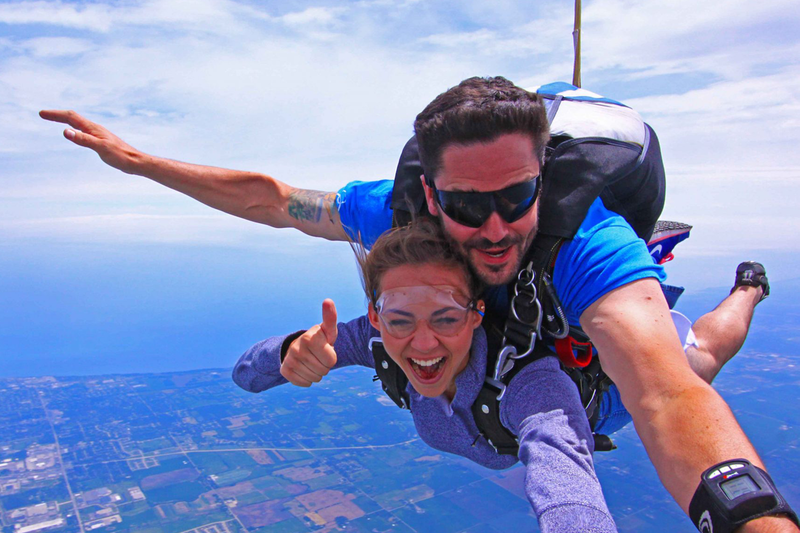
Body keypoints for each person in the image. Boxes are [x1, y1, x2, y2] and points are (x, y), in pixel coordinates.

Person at [40, 77, 798, 531]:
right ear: (431, 195)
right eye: (471, 203)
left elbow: (664, 400)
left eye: (518, 196)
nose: (498, 227)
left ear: (543, 179)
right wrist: (140, 165)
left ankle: (748, 286)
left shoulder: (584, 245)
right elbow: (273, 200)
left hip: (586, 371)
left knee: (698, 355)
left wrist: (754, 516)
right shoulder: (388, 216)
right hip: (491, 400)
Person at [233, 219, 619, 531]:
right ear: (375, 318)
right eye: (400, 321)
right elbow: (246, 375)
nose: (423, 344)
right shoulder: (374, 340)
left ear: (476, 314)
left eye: (446, 318)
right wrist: (290, 351)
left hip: (609, 401)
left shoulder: (527, 382)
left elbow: (568, 480)